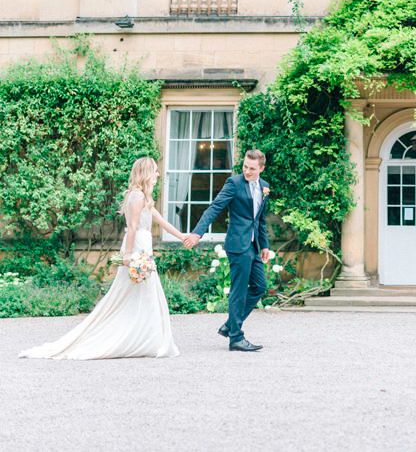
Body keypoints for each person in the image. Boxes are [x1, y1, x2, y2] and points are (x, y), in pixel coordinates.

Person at [19, 157, 185, 360]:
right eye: (156, 171)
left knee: (143, 294)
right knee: (134, 293)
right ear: (146, 173)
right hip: (136, 249)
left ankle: (146, 339)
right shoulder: (137, 196)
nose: (159, 174)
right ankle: (140, 339)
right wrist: (128, 256)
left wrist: (183, 237)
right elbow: (132, 227)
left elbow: (160, 220)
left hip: (143, 247)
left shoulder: (143, 197)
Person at [184, 149, 270, 352]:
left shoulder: (265, 187)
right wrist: (197, 233)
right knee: (239, 291)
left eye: (252, 168)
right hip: (238, 245)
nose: (247, 171)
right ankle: (236, 338)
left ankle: (231, 324)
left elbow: (260, 220)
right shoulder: (234, 183)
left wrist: (264, 245)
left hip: (253, 245)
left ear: (261, 168)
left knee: (259, 286)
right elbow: (214, 208)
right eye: (245, 167)